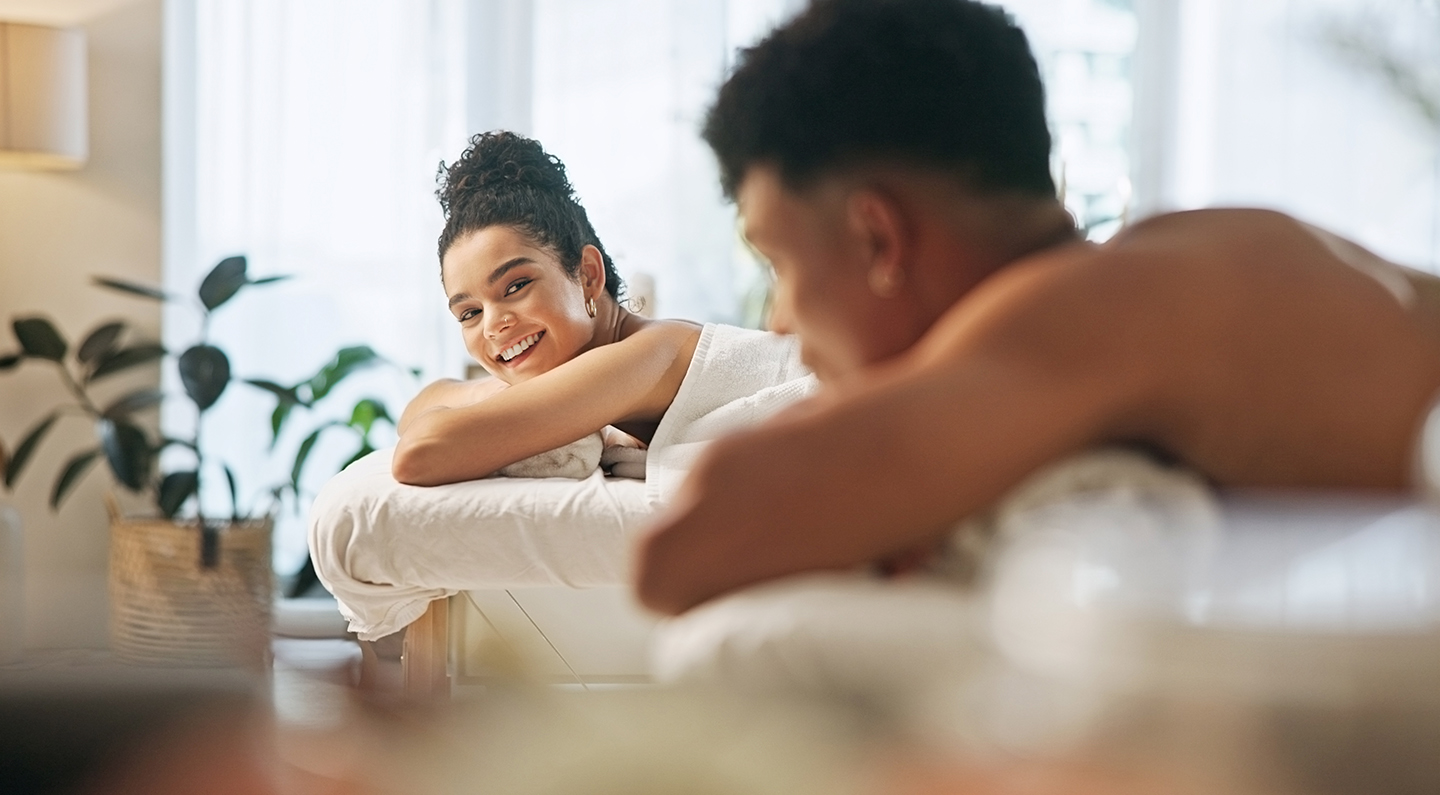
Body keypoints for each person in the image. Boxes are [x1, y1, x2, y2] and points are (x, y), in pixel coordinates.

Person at [633, 0, 1440, 615]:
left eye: (778, 261)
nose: (777, 319)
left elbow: (684, 551)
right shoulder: (1193, 248)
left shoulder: (1075, 315)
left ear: (879, 239)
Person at [392, 131, 701, 486]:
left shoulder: (654, 351)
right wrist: (500, 391)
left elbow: (420, 450)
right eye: (470, 313)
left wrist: (501, 397)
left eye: (516, 286)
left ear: (587, 275)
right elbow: (415, 411)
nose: (493, 325)